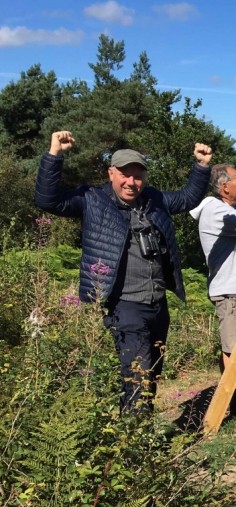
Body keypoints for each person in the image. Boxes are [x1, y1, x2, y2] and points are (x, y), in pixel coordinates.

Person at [35, 130, 212, 412]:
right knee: (138, 375)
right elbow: (48, 200)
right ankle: (136, 433)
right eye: (125, 175)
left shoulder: (154, 200)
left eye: (138, 176)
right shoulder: (92, 199)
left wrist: (201, 166)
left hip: (157, 304)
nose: (131, 182)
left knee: (151, 371)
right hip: (124, 304)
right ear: (111, 174)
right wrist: (54, 155)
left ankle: (134, 427)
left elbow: (187, 198)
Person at [190, 163, 236, 370]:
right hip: (233, 292)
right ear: (224, 187)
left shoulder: (235, 210)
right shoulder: (215, 210)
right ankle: (232, 390)